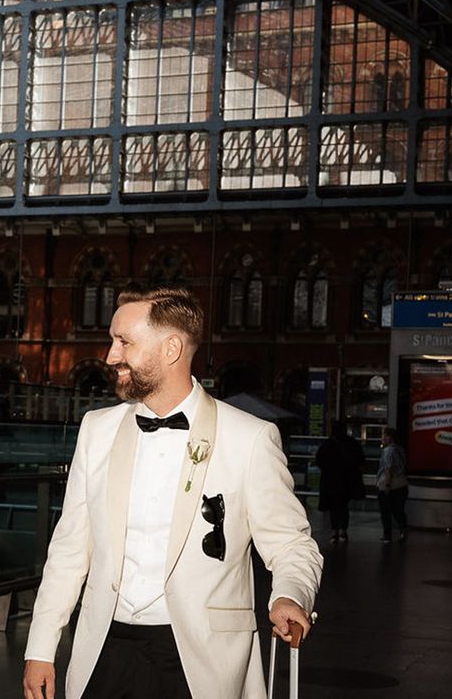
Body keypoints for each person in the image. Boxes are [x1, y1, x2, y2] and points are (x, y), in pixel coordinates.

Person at [23, 288, 322, 699]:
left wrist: (290, 595)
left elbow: (292, 545)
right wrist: (40, 648)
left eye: (124, 342)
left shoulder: (249, 438)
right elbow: (69, 548)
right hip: (103, 650)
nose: (111, 356)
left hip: (200, 660)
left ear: (171, 348)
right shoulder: (97, 429)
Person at [315, 419, 366, 542]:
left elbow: (319, 460)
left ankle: (335, 531)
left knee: (334, 508)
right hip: (347, 481)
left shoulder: (327, 444)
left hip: (331, 481)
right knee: (344, 506)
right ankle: (343, 530)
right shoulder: (351, 444)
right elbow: (361, 459)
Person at [376, 427, 408, 544]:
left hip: (390, 485)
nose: (383, 438)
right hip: (402, 484)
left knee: (386, 511)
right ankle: (403, 529)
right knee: (398, 510)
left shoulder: (388, 451)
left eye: (385, 435)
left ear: (390, 437)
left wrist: (387, 485)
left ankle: (387, 535)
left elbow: (388, 469)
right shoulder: (400, 449)